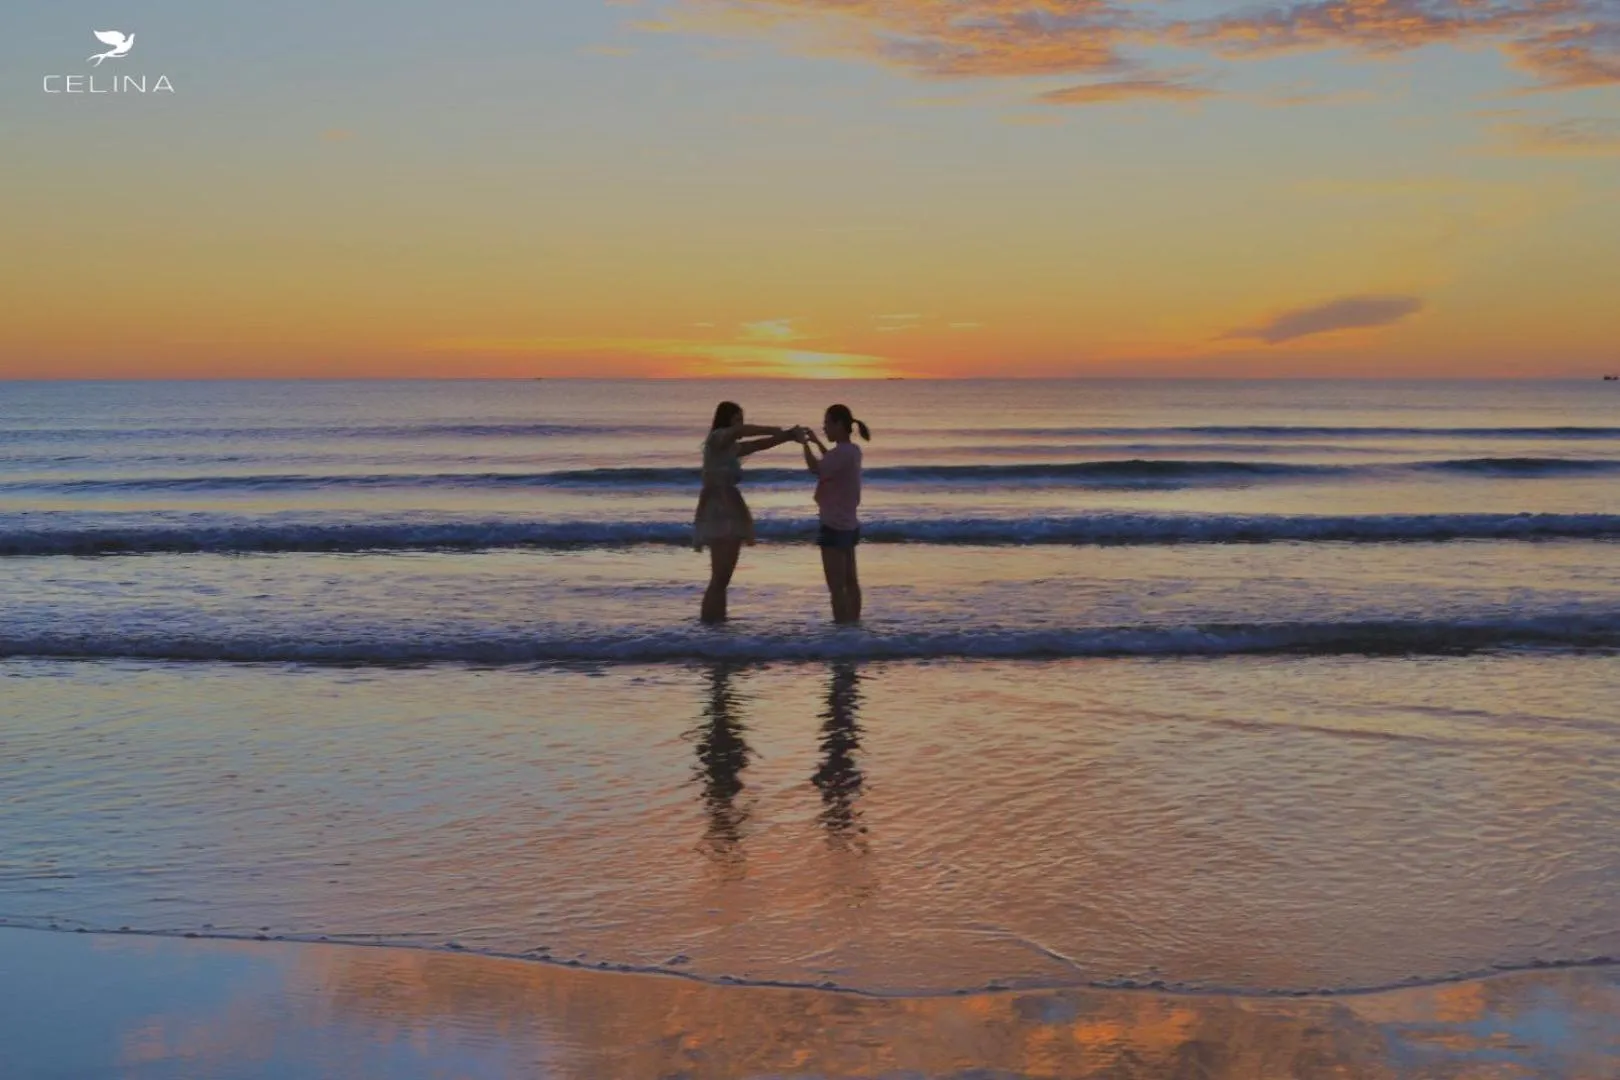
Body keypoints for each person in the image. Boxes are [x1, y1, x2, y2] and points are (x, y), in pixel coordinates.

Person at [694, 401, 802, 623]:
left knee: (723, 577)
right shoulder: (717, 438)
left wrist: (787, 436)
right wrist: (772, 428)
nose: (740, 424)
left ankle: (717, 623)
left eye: (741, 419)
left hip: (730, 506)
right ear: (726, 420)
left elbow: (759, 445)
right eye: (737, 419)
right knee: (720, 577)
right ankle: (710, 623)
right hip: (719, 508)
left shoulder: (730, 448)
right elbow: (740, 432)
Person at [799, 404, 870, 624]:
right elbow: (830, 461)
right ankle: (853, 625)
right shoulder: (853, 451)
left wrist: (804, 444)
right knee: (850, 581)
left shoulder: (841, 454)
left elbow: (816, 468)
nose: (824, 428)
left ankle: (841, 629)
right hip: (849, 523)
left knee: (836, 586)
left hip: (833, 523)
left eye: (827, 423)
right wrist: (816, 442)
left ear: (839, 424)